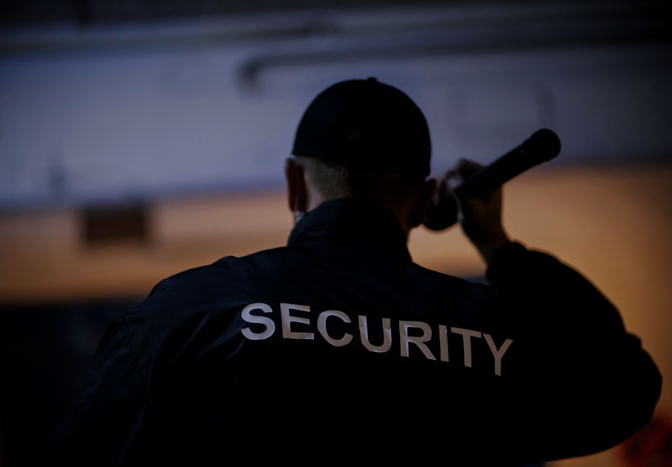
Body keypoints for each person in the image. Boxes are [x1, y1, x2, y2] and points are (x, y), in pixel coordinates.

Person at [46, 78, 661, 466]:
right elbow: (624, 386)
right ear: (422, 201)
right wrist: (500, 248)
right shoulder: (496, 337)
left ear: (293, 181)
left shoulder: (188, 310)